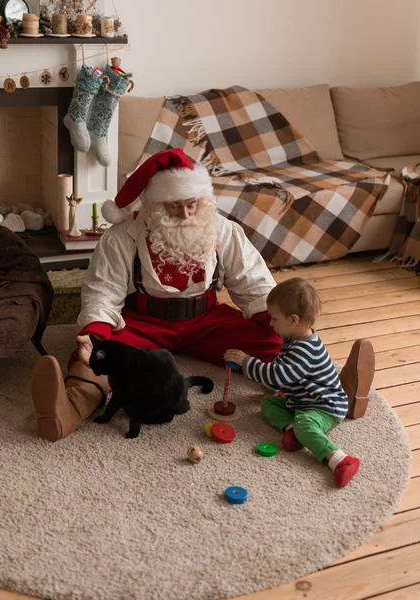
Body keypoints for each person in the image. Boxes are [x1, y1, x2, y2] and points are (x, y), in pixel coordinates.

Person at [31, 148, 371, 444]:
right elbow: (103, 291)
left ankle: (333, 390)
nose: (186, 214)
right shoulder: (121, 236)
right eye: (174, 205)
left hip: (207, 321)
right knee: (100, 356)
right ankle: (68, 409)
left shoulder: (223, 229)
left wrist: (278, 325)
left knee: (274, 345)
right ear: (153, 204)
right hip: (144, 323)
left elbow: (253, 282)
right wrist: (95, 336)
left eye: (192, 203)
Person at [224, 277, 375, 488]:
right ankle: (292, 430)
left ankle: (339, 459)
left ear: (293, 320)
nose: (270, 323)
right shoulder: (292, 339)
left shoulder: (305, 350)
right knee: (268, 405)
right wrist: (270, 391)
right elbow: (280, 369)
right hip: (301, 399)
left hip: (325, 406)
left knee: (306, 424)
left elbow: (277, 375)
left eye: (274, 319)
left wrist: (247, 361)